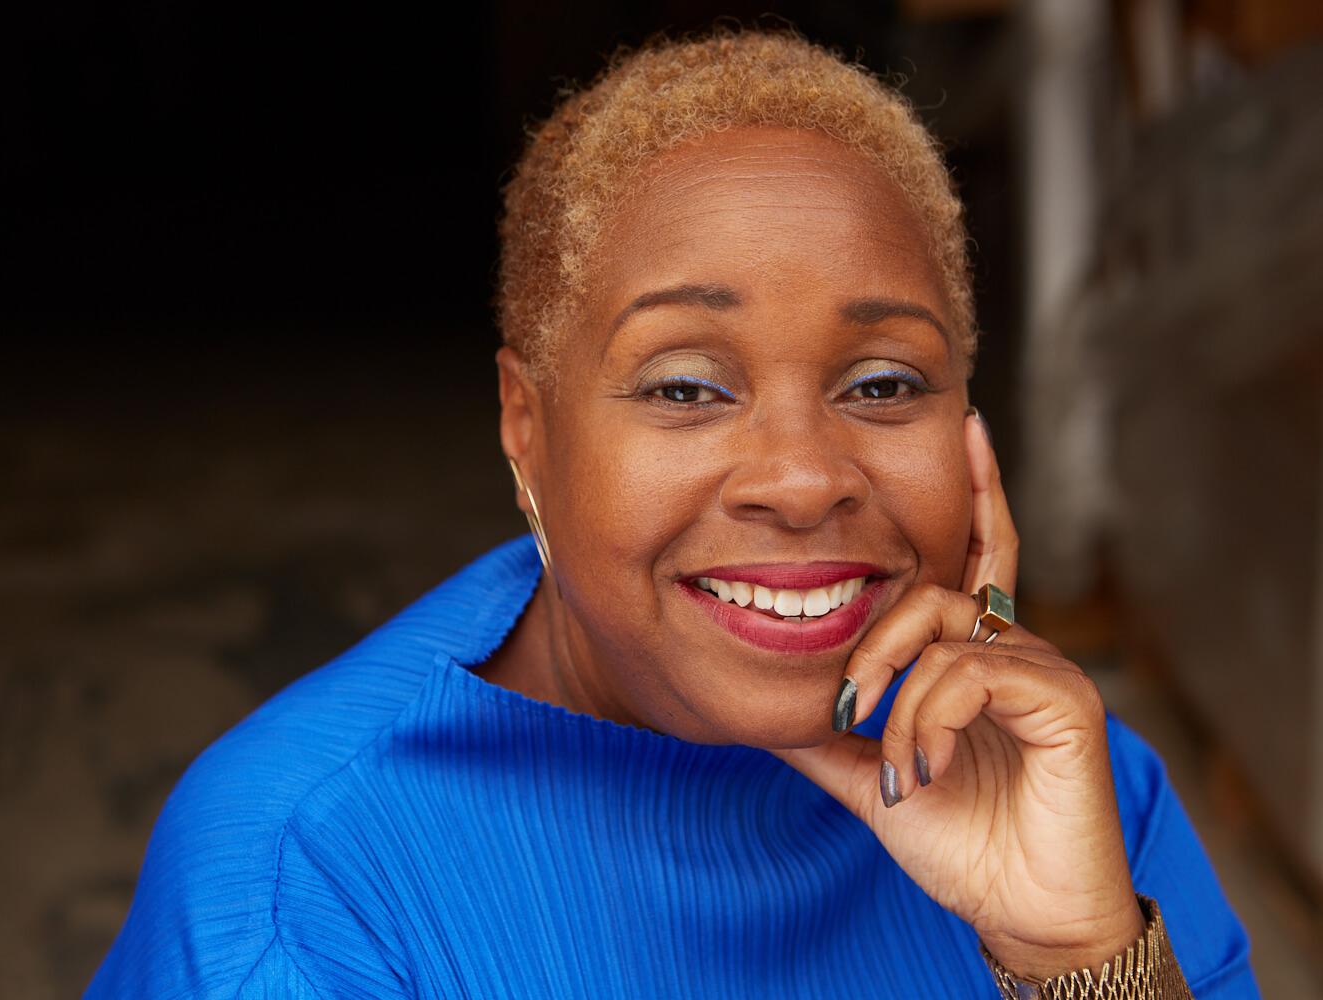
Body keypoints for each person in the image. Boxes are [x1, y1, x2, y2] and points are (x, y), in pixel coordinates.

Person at [86, 25, 1261, 999]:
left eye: (883, 383)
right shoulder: (311, 892)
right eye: (686, 387)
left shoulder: (1064, 778)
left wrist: (1077, 960)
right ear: (525, 429)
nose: (803, 480)